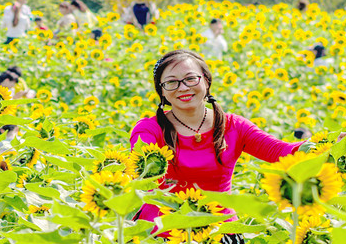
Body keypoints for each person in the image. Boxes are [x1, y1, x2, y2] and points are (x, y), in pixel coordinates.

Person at [130, 50, 306, 231]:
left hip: (220, 233)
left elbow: (282, 152)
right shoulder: (149, 130)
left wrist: (326, 144)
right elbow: (138, 164)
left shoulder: (234, 126)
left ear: (206, 80)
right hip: (160, 234)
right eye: (171, 82)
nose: (182, 88)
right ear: (162, 91)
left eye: (190, 79)